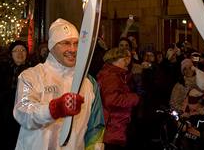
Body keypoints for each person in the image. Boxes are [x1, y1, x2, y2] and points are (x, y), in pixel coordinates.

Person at [13, 18, 105, 149]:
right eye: (66, 43)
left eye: (76, 43)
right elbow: (24, 112)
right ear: (52, 46)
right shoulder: (31, 76)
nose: (73, 49)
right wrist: (54, 109)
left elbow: (95, 126)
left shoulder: (88, 83)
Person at [97, 47, 140, 149]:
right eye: (123, 59)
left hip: (116, 127)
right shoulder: (111, 76)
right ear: (114, 60)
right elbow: (112, 100)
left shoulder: (115, 74)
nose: (127, 62)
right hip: (113, 128)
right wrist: (135, 98)